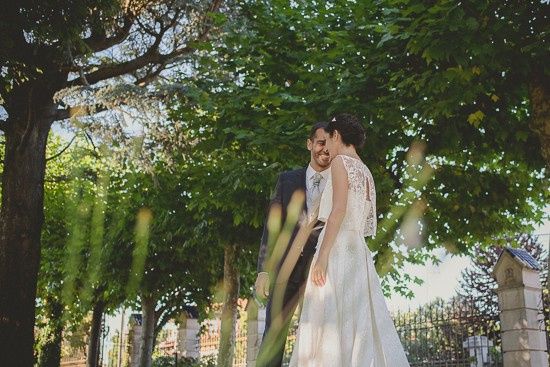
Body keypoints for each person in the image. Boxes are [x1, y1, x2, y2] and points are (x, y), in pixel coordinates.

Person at [289, 114, 410, 366]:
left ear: (336, 136)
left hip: (337, 248)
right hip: (358, 251)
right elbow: (363, 222)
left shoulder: (340, 163)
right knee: (358, 318)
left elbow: (338, 211)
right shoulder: (366, 172)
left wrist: (322, 257)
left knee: (328, 317)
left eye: (328, 140)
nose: (326, 148)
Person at [255, 121, 330, 367]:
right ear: (309, 144)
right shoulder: (287, 180)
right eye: (320, 143)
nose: (324, 149)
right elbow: (272, 228)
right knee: (274, 337)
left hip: (321, 274)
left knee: (320, 338)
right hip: (284, 271)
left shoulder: (338, 182)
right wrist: (264, 270)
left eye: (329, 144)